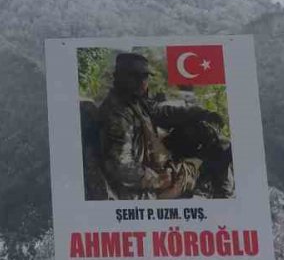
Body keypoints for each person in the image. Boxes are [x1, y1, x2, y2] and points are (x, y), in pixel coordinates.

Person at [81, 51, 230, 201]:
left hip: (154, 164)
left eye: (144, 76)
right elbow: (120, 167)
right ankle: (217, 195)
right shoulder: (117, 114)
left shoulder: (135, 100)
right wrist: (158, 179)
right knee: (220, 149)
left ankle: (217, 191)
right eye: (134, 76)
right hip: (141, 187)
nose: (141, 82)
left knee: (206, 133)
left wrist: (201, 114)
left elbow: (162, 112)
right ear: (119, 77)